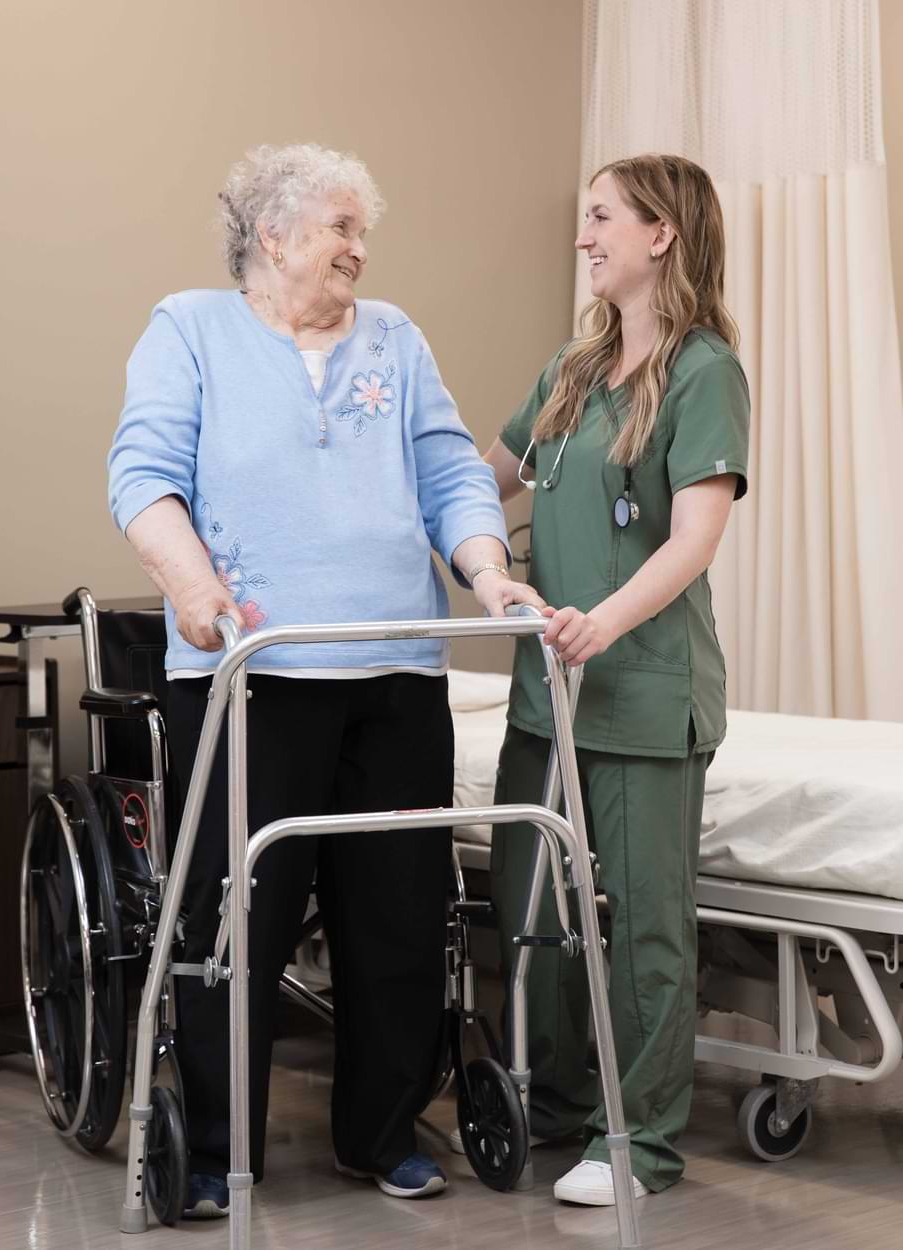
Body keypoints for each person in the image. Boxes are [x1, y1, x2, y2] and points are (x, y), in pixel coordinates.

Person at [108, 143, 542, 1216]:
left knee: (398, 911)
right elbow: (143, 475)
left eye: (361, 231)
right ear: (275, 234)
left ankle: (381, 1133)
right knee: (239, 915)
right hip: (252, 671)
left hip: (396, 667)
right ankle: (215, 1147)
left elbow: (449, 472)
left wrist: (489, 575)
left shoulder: (393, 336)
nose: (359, 250)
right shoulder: (190, 329)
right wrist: (193, 585)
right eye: (342, 228)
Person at [480, 154, 750, 1205]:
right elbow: (483, 475)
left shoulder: (703, 372)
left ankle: (637, 1142)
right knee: (529, 906)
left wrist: (604, 621)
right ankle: (553, 1104)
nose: (582, 235)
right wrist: (477, 555)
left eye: (601, 217)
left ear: (660, 234)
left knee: (643, 927)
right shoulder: (573, 366)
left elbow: (692, 539)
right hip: (545, 693)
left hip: (641, 689)